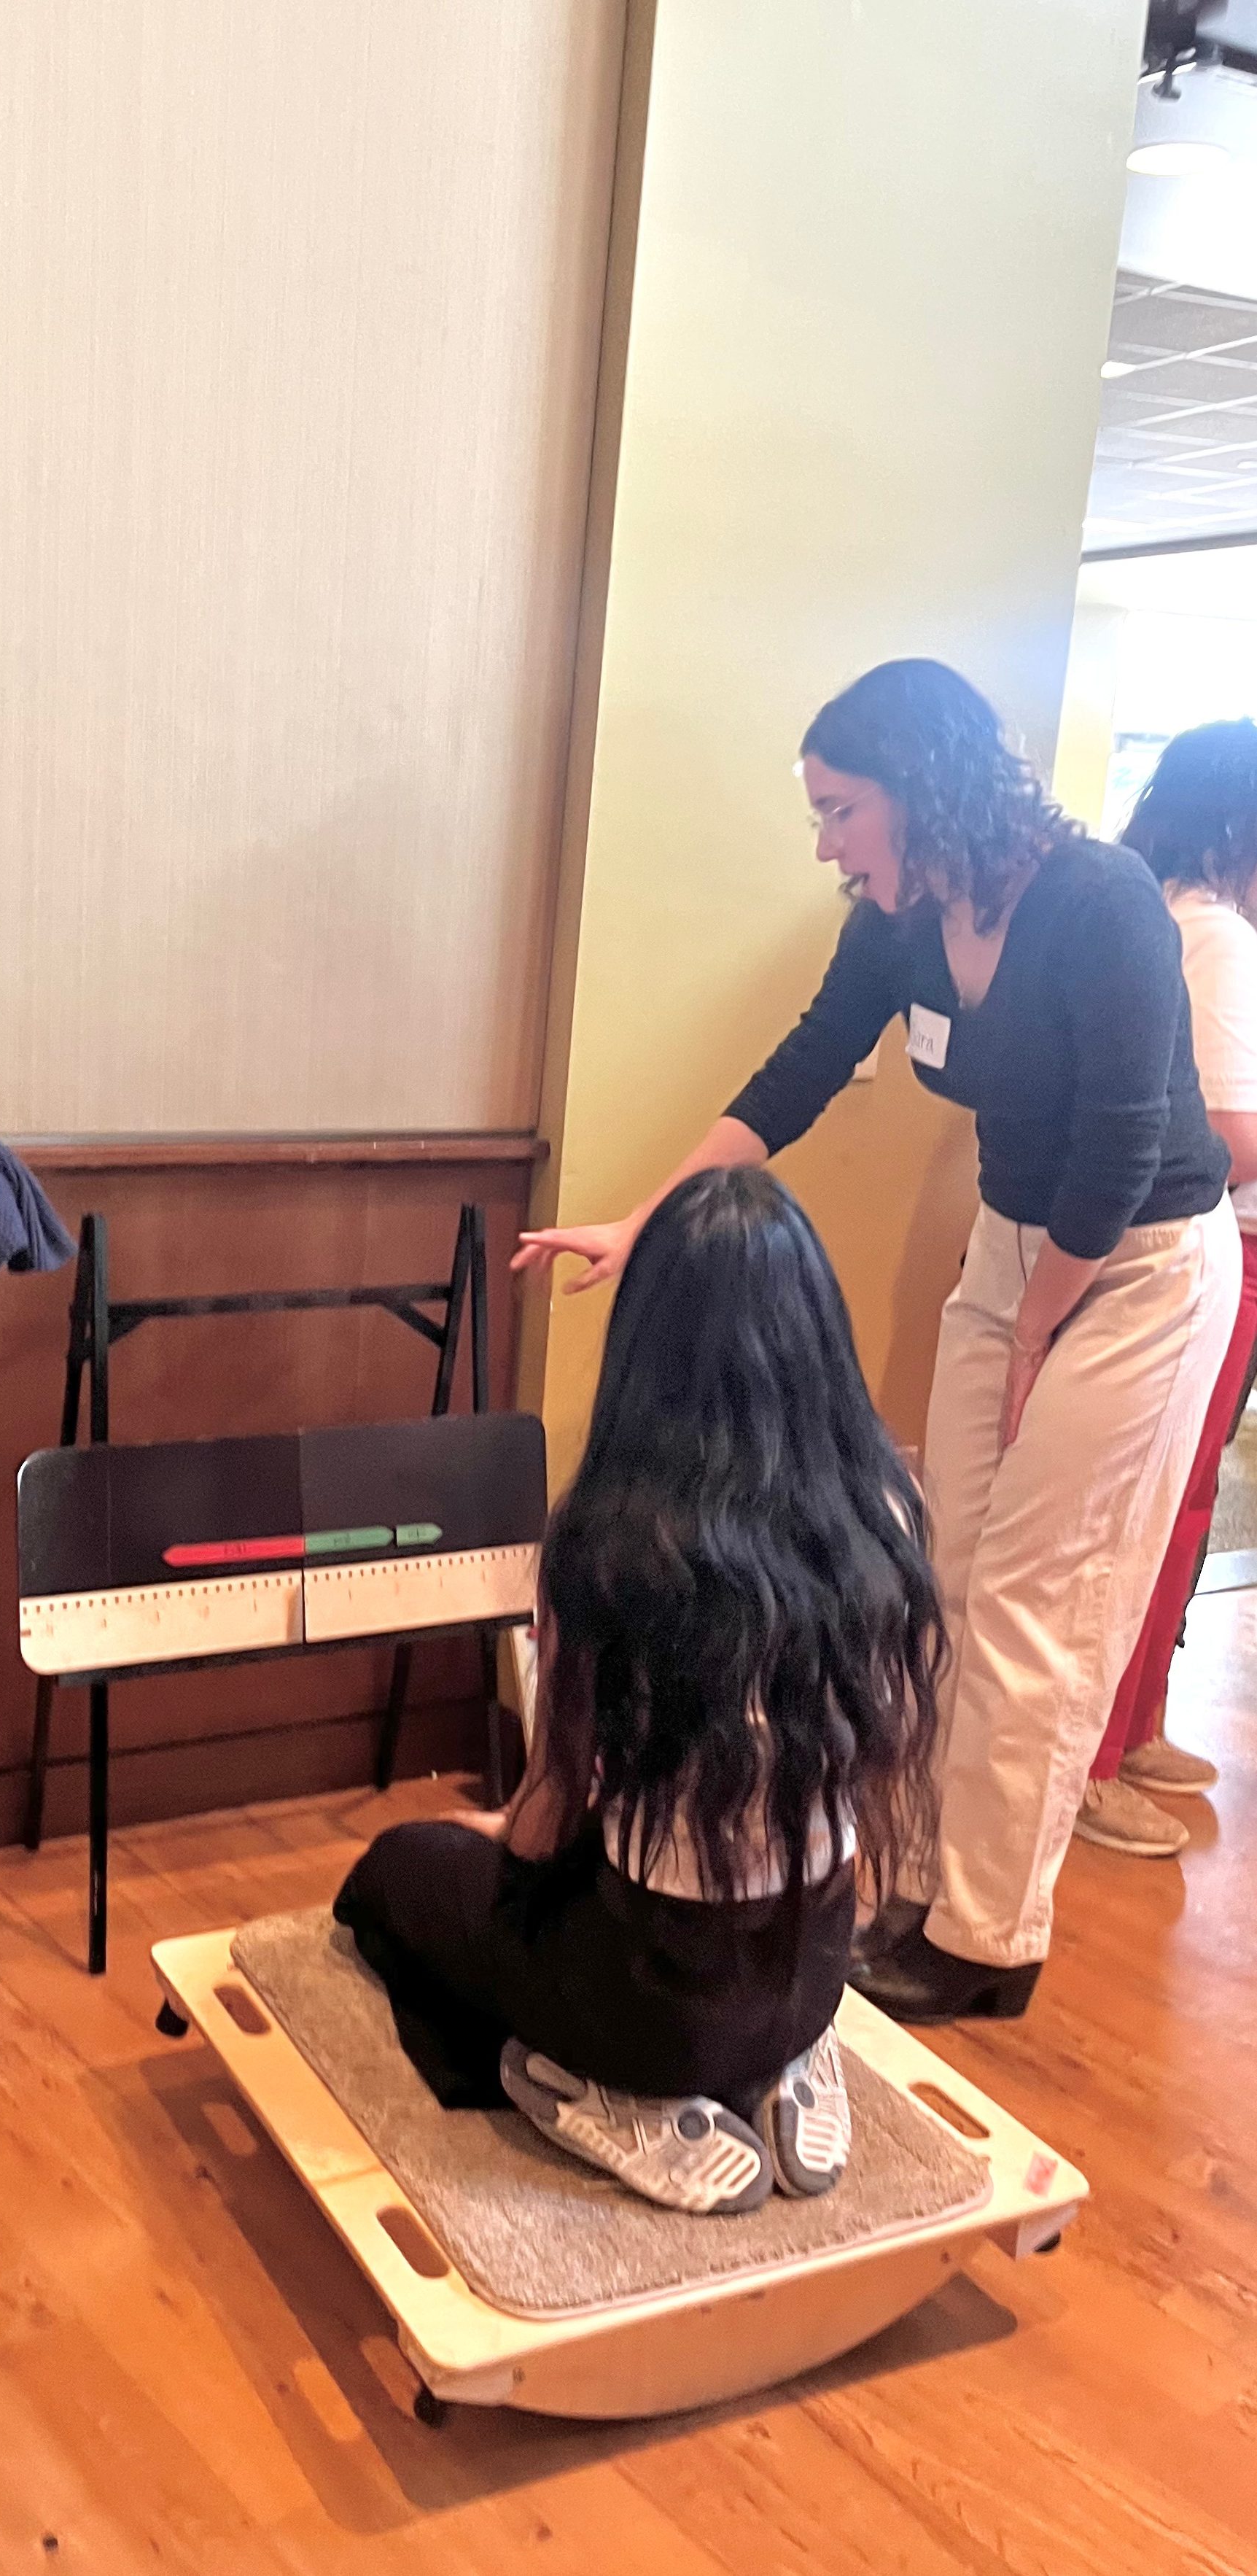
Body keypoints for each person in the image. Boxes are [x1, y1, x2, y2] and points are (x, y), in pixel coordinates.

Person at [517, 659, 1239, 2025]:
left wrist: (1039, 1326)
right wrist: (638, 1221)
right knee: (940, 1582)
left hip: (1132, 1267)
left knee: (1039, 1600)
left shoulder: (1099, 905)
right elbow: (797, 1074)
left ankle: (986, 1938)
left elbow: (1123, 1142)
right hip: (1017, 1249)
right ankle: (908, 1887)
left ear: (927, 790)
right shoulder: (899, 919)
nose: (826, 843)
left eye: (841, 810)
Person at [335, 1168, 943, 2215]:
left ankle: (603, 2089)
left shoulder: (607, 1546)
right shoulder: (886, 1509)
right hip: (817, 1959)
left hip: (652, 2000)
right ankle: (784, 2064)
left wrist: (481, 1837)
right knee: (622, 1887)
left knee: (400, 1873)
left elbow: (542, 1821)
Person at [1078, 719, 1257, 1858]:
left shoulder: (1160, 918)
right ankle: (1092, 1751)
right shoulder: (1214, 938)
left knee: (1170, 1507)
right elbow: (1233, 1139)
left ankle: (1127, 1726)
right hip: (1201, 1252)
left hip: (1157, 1252)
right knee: (1146, 1508)